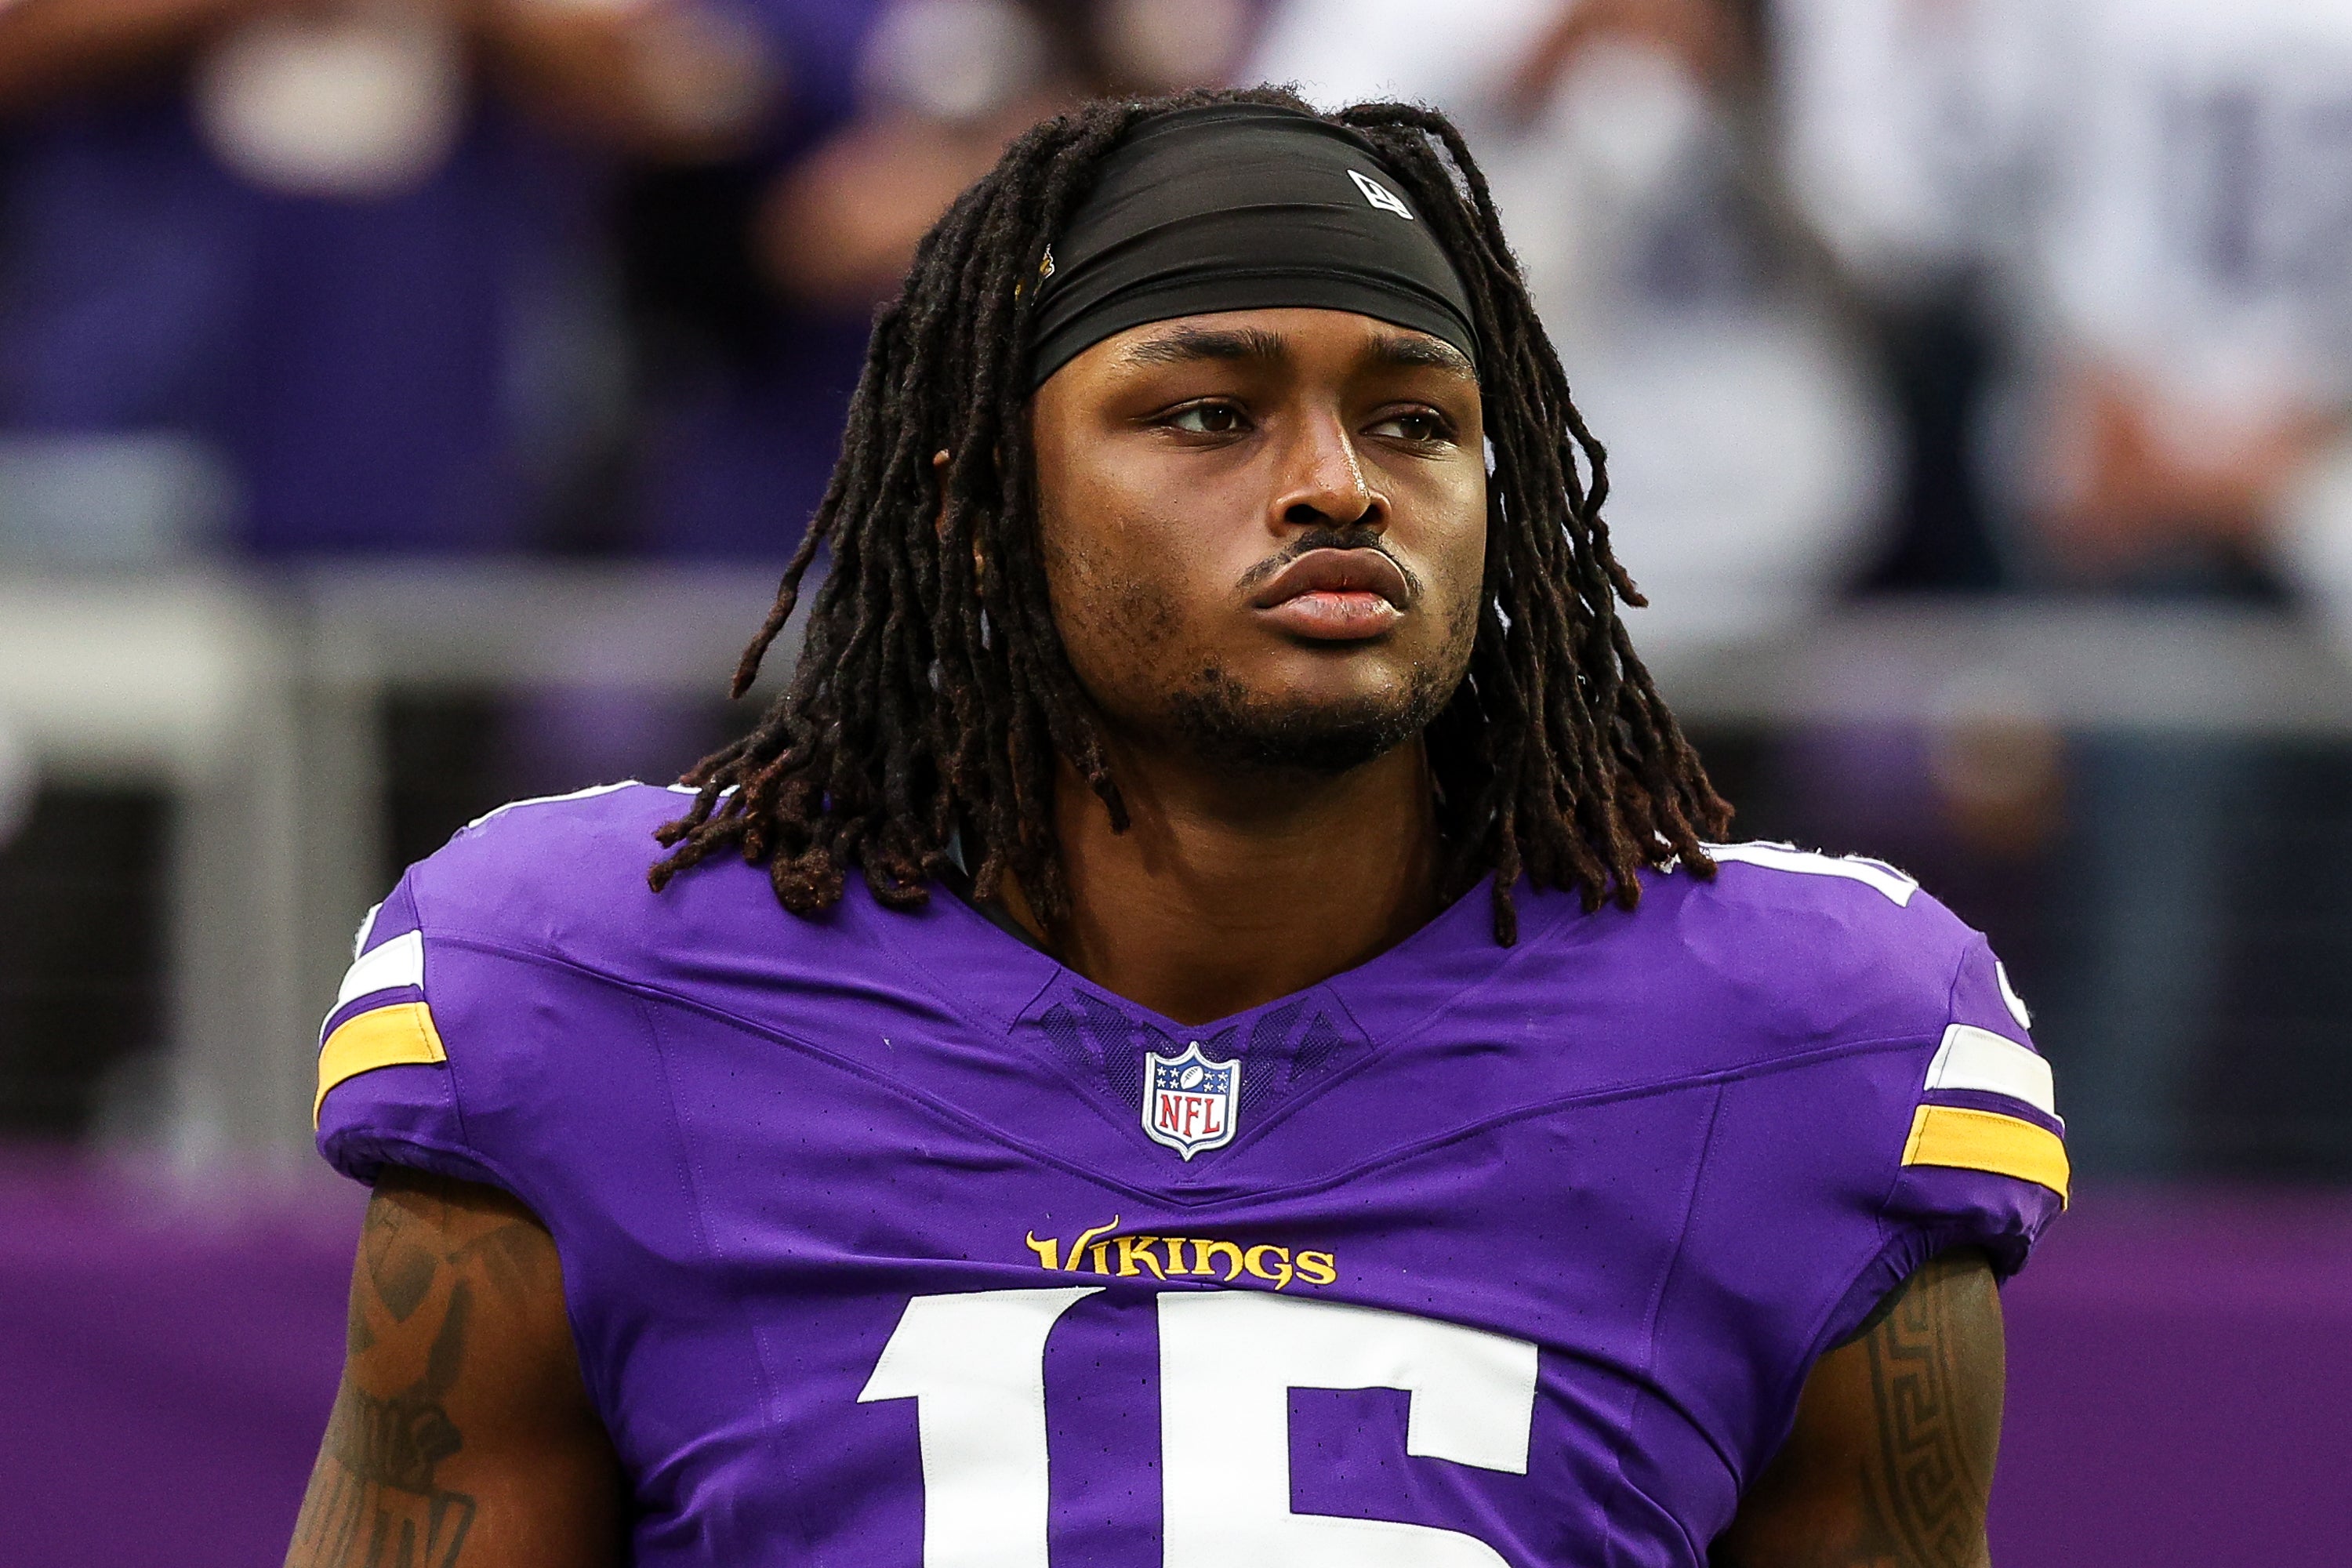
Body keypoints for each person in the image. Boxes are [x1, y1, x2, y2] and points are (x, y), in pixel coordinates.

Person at [289, 91, 2066, 1566]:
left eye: (1415, 420)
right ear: (981, 510)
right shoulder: (592, 987)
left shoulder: (1804, 1047)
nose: (1337, 483)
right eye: (1209, 413)